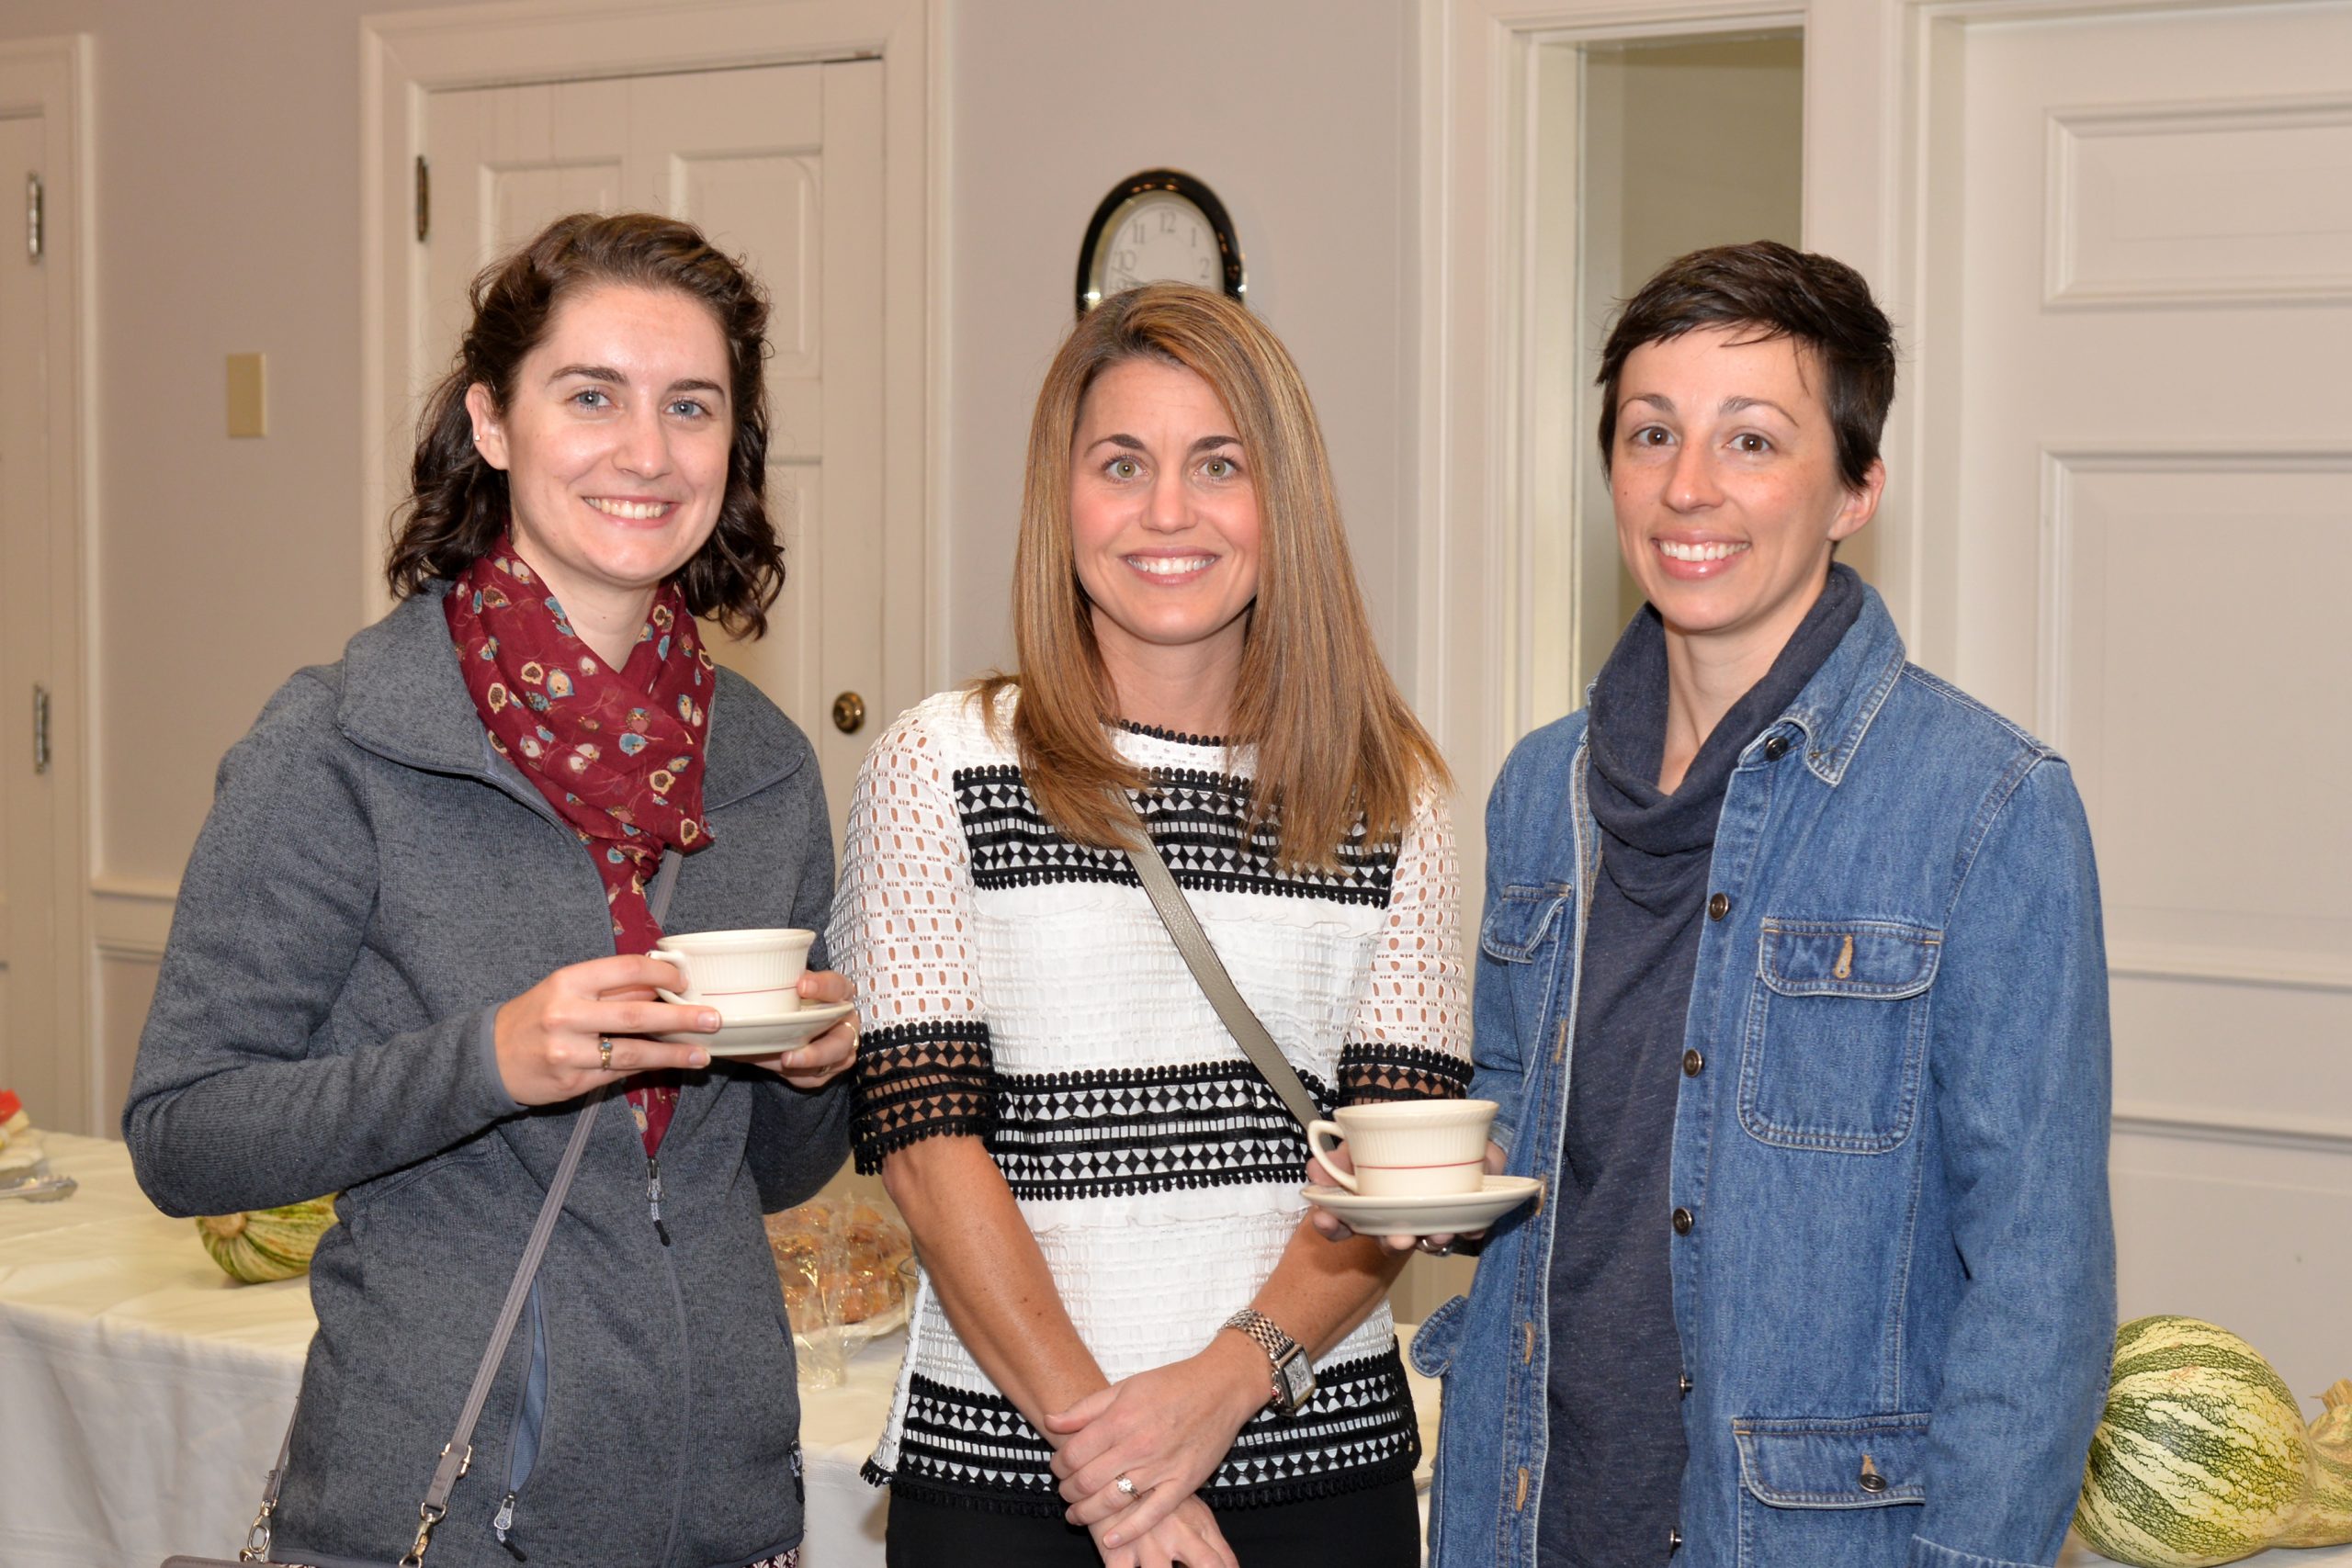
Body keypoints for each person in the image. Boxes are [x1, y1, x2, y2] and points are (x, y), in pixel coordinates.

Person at [123, 212, 856, 1568]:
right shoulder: (343, 742)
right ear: (493, 421)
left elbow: (766, 1175)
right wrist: (489, 1062)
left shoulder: (763, 769)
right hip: (445, 1507)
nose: (647, 453)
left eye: (691, 406)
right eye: (592, 396)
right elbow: (183, 1136)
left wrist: (814, 1075)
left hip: (723, 1508)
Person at [1404, 243, 2115, 1567]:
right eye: (1651, 433)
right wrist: (1415, 1179)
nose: (1689, 486)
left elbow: (2041, 1285)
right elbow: (1522, 1136)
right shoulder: (1538, 789)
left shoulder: (1989, 807)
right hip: (1529, 1516)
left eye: (1752, 440)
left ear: (1855, 489)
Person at [828, 283, 1467, 1568]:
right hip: (1011, 1476)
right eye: (1121, 464)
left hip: (1313, 1467)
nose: (1167, 511)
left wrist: (1219, 1388)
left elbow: (1397, 1171)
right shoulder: (940, 762)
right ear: (1061, 499)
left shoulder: (1393, 796)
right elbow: (926, 1150)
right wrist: (1121, 1459)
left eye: (1218, 465)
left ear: (1282, 501)